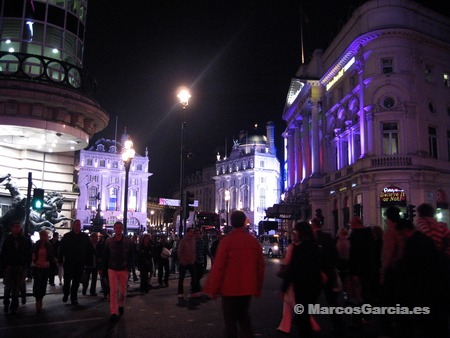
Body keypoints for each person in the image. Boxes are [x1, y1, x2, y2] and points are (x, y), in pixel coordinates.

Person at [204, 211, 264, 338]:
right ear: (244, 222)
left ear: (231, 223)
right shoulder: (253, 242)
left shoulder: (226, 241)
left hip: (229, 288)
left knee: (230, 321)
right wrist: (258, 287)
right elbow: (260, 267)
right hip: (247, 287)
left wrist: (212, 289)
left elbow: (218, 267)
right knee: (244, 317)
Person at [394, 218, 449, 337]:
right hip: (433, 284)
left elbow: (409, 266)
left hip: (421, 285)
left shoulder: (412, 242)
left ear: (405, 230)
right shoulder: (426, 239)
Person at [276, 226, 320, 335]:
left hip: (300, 285)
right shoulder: (315, 248)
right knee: (296, 306)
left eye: (295, 233)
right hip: (313, 285)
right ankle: (285, 326)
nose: (293, 235)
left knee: (297, 307)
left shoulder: (296, 248)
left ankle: (310, 325)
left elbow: (292, 268)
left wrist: (283, 287)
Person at [311, 217, 344, 335]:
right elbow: (335, 254)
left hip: (317, 274)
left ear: (313, 225)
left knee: (311, 299)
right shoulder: (328, 237)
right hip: (329, 273)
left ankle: (306, 321)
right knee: (332, 301)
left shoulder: (313, 239)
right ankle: (338, 324)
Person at [101, 221, 134, 322]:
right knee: (113, 290)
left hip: (123, 268)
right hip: (112, 268)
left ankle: (120, 305)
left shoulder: (128, 241)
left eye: (120, 228)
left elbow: (131, 255)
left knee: (123, 291)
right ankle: (114, 311)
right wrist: (103, 269)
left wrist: (129, 267)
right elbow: (105, 256)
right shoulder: (109, 241)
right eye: (117, 228)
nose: (119, 229)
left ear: (122, 229)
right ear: (114, 229)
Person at [0, 222, 32, 314]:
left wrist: (26, 265)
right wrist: (4, 266)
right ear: (12, 228)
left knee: (16, 288)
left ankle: (14, 305)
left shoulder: (23, 239)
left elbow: (26, 253)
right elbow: (3, 253)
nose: (17, 229)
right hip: (9, 266)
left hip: (19, 267)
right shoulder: (8, 239)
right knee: (8, 288)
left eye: (19, 227)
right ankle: (6, 303)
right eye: (16, 227)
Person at [58, 219, 90, 305]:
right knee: (67, 280)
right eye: (76, 224)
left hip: (79, 262)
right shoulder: (67, 236)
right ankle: (66, 293)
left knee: (76, 281)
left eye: (79, 224)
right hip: (69, 262)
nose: (78, 226)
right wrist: (60, 259)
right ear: (73, 225)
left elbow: (89, 249)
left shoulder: (84, 237)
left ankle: (74, 298)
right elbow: (61, 249)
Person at [31, 230, 55, 312]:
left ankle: (41, 298)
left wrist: (54, 260)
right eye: (41, 235)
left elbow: (51, 256)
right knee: (37, 284)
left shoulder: (49, 245)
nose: (43, 237)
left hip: (45, 267)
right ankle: (37, 300)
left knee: (43, 284)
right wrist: (33, 259)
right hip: (37, 266)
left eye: (44, 235)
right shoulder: (36, 244)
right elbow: (33, 253)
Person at [177, 227, 197, 298]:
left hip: (191, 262)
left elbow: (193, 251)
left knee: (194, 277)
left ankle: (193, 291)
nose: (192, 233)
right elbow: (179, 251)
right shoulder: (183, 241)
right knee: (181, 277)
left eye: (192, 232)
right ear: (187, 232)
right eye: (190, 232)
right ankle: (180, 292)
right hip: (184, 262)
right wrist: (182, 260)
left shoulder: (193, 241)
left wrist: (193, 258)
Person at [194, 229, 211, 295]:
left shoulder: (202, 242)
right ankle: (195, 287)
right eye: (196, 233)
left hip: (201, 260)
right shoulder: (193, 241)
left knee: (200, 274)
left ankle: (196, 285)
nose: (198, 235)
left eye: (199, 233)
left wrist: (211, 257)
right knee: (195, 274)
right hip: (194, 261)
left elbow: (206, 250)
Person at [82, 232, 100, 296]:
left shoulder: (98, 244)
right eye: (95, 237)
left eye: (97, 237)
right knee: (86, 278)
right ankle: (84, 289)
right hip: (88, 263)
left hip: (95, 264)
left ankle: (92, 291)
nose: (97, 238)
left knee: (94, 279)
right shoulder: (88, 245)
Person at [96, 233, 110, 299]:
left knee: (105, 280)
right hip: (106, 265)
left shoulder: (101, 245)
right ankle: (106, 292)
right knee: (106, 280)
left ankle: (106, 292)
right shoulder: (102, 246)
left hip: (106, 265)